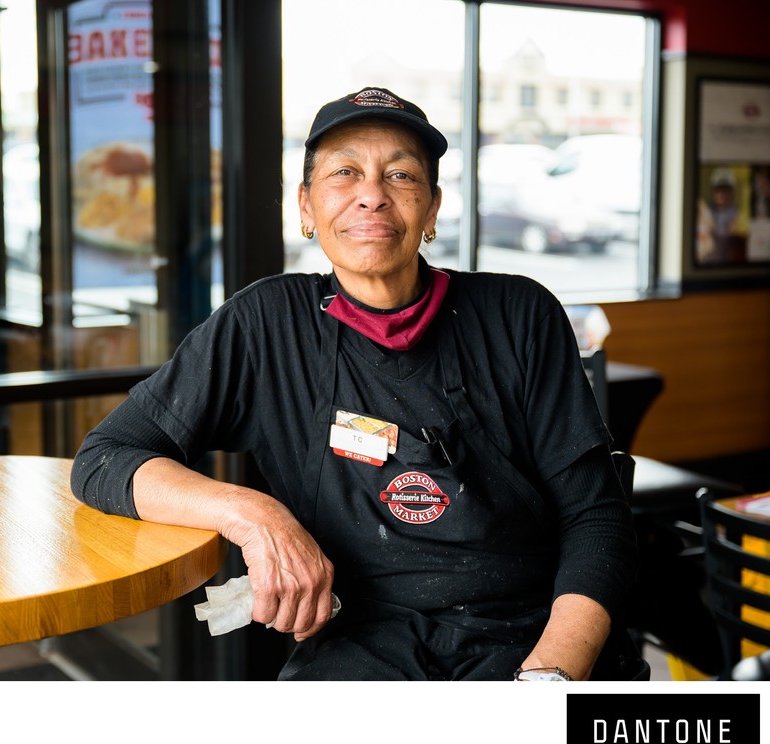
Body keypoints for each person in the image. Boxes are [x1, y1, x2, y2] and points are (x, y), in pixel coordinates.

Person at [71, 87, 642, 681]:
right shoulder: (266, 325)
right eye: (344, 172)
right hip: (361, 646)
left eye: (401, 175)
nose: (372, 194)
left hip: (532, 636)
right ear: (306, 207)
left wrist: (549, 678)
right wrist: (253, 514)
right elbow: (105, 458)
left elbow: (596, 517)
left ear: (432, 208)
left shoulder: (518, 314)